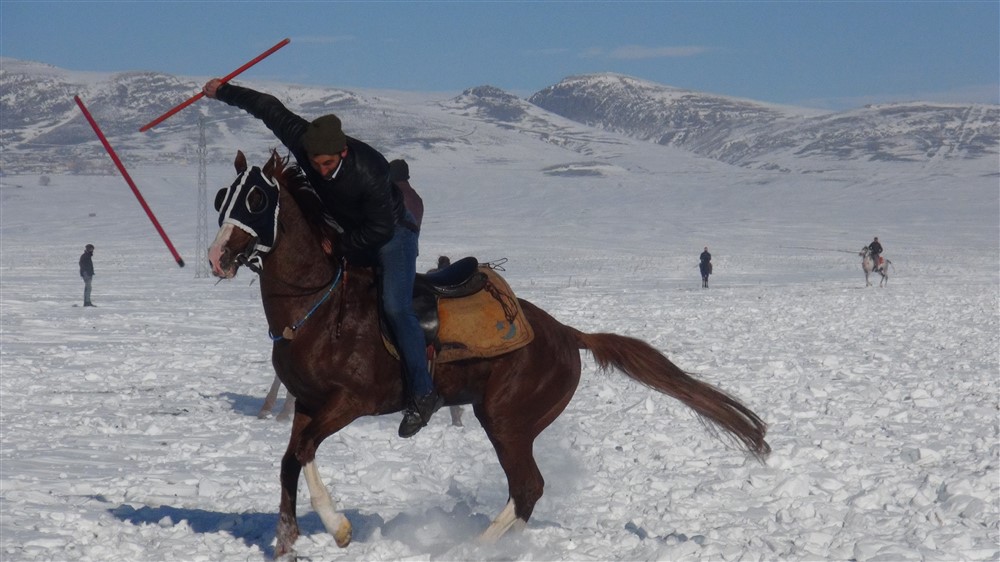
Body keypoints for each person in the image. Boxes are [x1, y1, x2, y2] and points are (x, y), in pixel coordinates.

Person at [202, 79, 442, 438]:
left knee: (395, 305)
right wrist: (223, 91)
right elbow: (268, 107)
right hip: (349, 227)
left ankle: (423, 393)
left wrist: (341, 246)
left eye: (328, 164)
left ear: (343, 153)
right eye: (315, 163)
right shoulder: (305, 141)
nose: (322, 170)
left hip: (392, 233)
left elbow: (377, 231)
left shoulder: (370, 169)